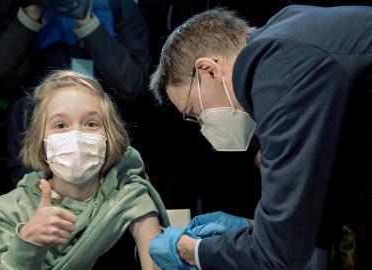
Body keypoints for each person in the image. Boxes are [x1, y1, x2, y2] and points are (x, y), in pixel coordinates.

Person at [148, 5, 372, 270]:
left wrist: (192, 250)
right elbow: (304, 217)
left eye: (195, 113)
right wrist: (257, 230)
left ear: (208, 70)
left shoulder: (275, 62)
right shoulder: (286, 33)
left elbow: (278, 253)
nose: (202, 127)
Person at [0, 70, 169, 270]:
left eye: (91, 124)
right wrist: (29, 240)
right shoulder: (9, 210)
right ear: (41, 140)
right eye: (61, 125)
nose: (76, 137)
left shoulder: (130, 198)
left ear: (109, 136)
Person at [0, 0, 151, 187]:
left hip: (103, 150)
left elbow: (132, 84)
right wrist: (29, 17)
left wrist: (88, 23)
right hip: (34, 153)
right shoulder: (10, 8)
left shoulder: (120, 7)